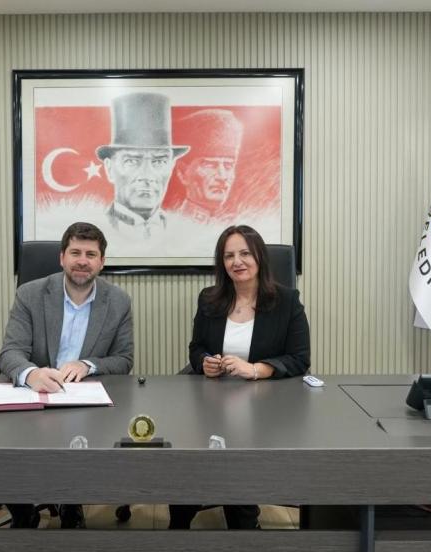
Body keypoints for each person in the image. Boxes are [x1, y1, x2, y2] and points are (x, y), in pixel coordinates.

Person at [169, 224, 311, 530]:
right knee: (187, 451)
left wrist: (256, 369)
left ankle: (243, 524)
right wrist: (205, 363)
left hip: (265, 404)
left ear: (260, 257)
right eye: (229, 255)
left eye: (245, 253)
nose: (237, 262)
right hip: (214, 402)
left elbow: (299, 358)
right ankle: (179, 522)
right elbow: (197, 348)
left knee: (237, 451)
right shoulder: (210, 298)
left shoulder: (287, 301)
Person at [0, 222, 133, 528]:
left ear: (102, 261)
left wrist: (88, 365)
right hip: (33, 395)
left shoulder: (118, 301)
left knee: (78, 440)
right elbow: (10, 352)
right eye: (75, 253)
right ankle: (24, 513)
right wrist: (31, 373)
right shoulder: (30, 294)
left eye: (91, 254)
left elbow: (123, 360)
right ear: (61, 257)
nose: (82, 261)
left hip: (82, 397)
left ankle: (71, 504)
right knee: (7, 448)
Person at [95, 92, 189, 239]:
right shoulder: (96, 229)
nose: (147, 176)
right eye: (132, 161)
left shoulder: (186, 233)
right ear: (110, 168)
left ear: (171, 166)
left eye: (159, 161)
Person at [172, 109, 244, 224]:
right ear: (182, 172)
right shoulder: (172, 225)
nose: (222, 177)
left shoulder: (235, 223)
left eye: (228, 166)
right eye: (210, 165)